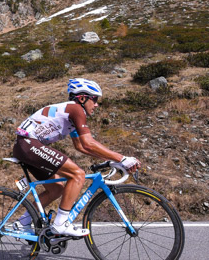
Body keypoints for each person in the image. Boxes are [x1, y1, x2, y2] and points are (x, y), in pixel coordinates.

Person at [13, 78, 141, 237]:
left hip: (26, 146)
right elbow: (88, 143)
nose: (96, 105)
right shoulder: (76, 110)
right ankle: (60, 224)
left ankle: (22, 222)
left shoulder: (70, 112)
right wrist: (122, 158)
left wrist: (111, 160)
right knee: (77, 174)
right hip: (28, 144)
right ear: (82, 98)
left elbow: (80, 146)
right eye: (94, 100)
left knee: (57, 188)